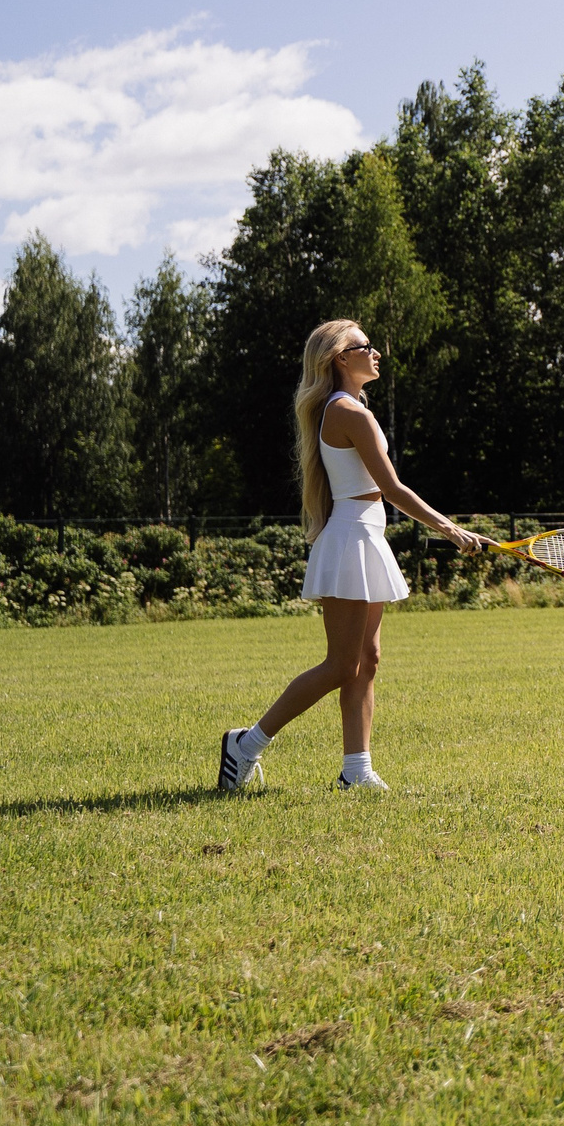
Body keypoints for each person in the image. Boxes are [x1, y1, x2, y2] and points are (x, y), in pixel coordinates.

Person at [215, 319, 488, 792]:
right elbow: (392, 488)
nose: (376, 352)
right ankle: (245, 744)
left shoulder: (355, 408)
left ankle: (355, 771)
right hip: (350, 539)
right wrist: (447, 527)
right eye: (366, 347)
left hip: (365, 535)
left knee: (368, 659)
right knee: (342, 664)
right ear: (342, 357)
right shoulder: (349, 413)